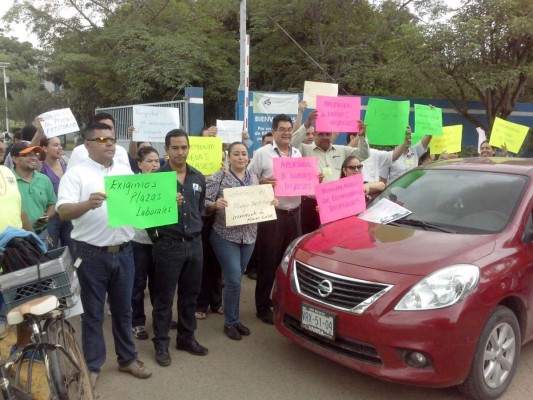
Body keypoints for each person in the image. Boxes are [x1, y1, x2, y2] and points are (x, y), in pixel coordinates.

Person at [56, 122, 152, 384]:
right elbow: (63, 211)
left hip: (124, 252)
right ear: (87, 145)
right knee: (94, 313)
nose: (109, 143)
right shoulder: (76, 175)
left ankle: (128, 359)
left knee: (124, 310)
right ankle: (93, 365)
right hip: (91, 255)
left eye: (111, 139)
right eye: (101, 140)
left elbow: (142, 207)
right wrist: (87, 204)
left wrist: (166, 202)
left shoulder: (125, 172)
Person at [206, 142, 278, 340]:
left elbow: (259, 201)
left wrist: (271, 201)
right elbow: (204, 203)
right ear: (228, 157)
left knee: (236, 280)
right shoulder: (218, 177)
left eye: (244, 154)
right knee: (234, 279)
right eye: (236, 154)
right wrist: (214, 204)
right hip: (224, 235)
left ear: (248, 158)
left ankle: (235, 320)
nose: (240, 157)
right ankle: (230, 322)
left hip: (249, 236)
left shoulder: (253, 177)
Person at [149, 129, 208, 367]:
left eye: (184, 147)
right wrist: (157, 239)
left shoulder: (198, 177)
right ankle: (161, 343)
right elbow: (145, 217)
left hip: (195, 245)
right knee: (163, 299)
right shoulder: (156, 179)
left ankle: (186, 338)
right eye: (175, 147)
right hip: (168, 247)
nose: (180, 152)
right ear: (166, 150)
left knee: (190, 297)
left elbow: (201, 208)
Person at [248, 114, 302, 324]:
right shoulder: (262, 153)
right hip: (272, 215)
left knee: (289, 262)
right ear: (274, 131)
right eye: (282, 129)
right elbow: (248, 179)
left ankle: (283, 302)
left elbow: (305, 182)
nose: (287, 132)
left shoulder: (297, 154)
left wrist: (314, 179)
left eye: (289, 129)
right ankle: (262, 306)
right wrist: (262, 181)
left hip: (294, 213)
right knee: (269, 261)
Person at [291, 111, 369, 234]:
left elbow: (363, 155)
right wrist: (306, 124)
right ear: (315, 134)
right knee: (309, 240)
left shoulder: (342, 150)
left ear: (332, 135)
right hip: (311, 204)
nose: (325, 137)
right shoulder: (305, 149)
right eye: (321, 134)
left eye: (328, 134)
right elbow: (292, 145)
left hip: (335, 203)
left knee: (333, 238)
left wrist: (362, 137)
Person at [130, 146, 160, 341]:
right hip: (138, 242)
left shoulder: (165, 183)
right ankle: (137, 322)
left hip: (160, 242)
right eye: (149, 161)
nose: (154, 165)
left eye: (157, 161)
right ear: (139, 164)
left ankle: (160, 318)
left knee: (159, 284)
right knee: (138, 283)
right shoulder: (131, 184)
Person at [11, 143, 56, 245]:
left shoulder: (44, 179)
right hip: (16, 238)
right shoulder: (7, 181)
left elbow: (52, 203)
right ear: (15, 159)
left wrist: (47, 217)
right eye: (27, 155)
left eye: (35, 154)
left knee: (44, 261)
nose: (34, 158)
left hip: (42, 235)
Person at [37, 132, 74, 255]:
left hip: (68, 215)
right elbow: (28, 151)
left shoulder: (66, 164)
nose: (60, 147)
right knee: (51, 253)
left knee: (71, 252)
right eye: (55, 145)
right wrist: (38, 132)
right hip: (51, 218)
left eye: (60, 145)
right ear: (44, 148)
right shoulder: (40, 167)